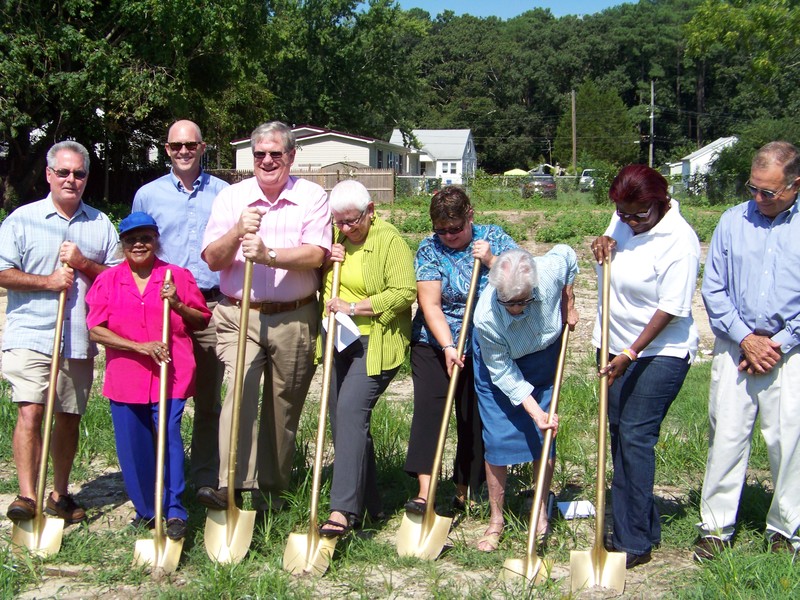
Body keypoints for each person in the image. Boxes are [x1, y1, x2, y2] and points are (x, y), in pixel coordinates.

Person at [200, 121, 331, 510]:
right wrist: (237, 231)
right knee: (238, 391)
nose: (268, 160)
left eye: (276, 153)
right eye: (260, 154)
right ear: (252, 157)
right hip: (240, 314)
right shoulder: (231, 198)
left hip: (295, 317)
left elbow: (316, 254)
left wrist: (269, 255)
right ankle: (231, 486)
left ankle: (272, 492)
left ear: (291, 156)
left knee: (284, 406)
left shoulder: (311, 196)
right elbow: (211, 258)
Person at [0, 141, 119, 524]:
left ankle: (60, 494)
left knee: (68, 416)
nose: (71, 179)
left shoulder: (99, 224)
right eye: (63, 172)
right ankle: (27, 495)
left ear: (86, 178)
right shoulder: (21, 219)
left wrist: (84, 263)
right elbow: (2, 271)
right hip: (32, 333)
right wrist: (49, 281)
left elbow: (118, 277)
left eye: (79, 173)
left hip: (79, 337)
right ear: (49, 175)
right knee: (31, 411)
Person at [590, 164, 700, 568]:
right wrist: (604, 240)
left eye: (640, 215)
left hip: (658, 353)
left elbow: (671, 307)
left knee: (635, 436)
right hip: (615, 347)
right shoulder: (624, 217)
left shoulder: (679, 241)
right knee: (618, 435)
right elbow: (614, 240)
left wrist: (631, 353)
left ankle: (634, 541)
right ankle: (640, 523)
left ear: (660, 202)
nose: (631, 222)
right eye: (623, 214)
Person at [695, 141, 800, 559]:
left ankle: (785, 529)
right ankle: (715, 528)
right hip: (735, 345)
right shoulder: (732, 221)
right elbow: (713, 288)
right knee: (726, 437)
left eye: (768, 192)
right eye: (753, 188)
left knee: (788, 441)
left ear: (795, 186)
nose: (758, 198)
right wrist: (746, 338)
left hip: (789, 350)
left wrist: (778, 343)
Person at [86, 213, 211, 538]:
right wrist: (139, 347)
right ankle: (146, 510)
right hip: (126, 378)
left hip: (171, 375)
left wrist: (179, 305)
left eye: (145, 238)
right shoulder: (109, 281)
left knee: (168, 436)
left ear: (156, 240)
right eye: (131, 239)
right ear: (123, 244)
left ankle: (174, 511)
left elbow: (201, 320)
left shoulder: (176, 276)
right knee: (134, 447)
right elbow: (96, 330)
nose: (138, 244)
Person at [132, 119, 230, 504]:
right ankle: (162, 479)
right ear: (167, 149)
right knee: (161, 400)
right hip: (162, 309)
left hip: (208, 306)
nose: (184, 152)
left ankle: (205, 478)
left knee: (208, 400)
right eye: (176, 146)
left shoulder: (224, 194)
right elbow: (138, 249)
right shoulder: (148, 195)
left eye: (191, 145)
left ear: (203, 147)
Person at [403, 186, 516, 515]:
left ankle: (465, 489)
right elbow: (430, 305)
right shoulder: (429, 249)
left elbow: (522, 285)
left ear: (470, 216)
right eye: (442, 229)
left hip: (484, 342)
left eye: (456, 228)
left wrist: (493, 261)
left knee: (473, 417)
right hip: (434, 341)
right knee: (429, 412)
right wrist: (448, 346)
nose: (449, 235)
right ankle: (425, 494)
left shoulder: (494, 238)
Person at [314, 180, 416, 537]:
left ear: (371, 211)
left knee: (351, 412)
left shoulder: (390, 242)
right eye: (338, 222)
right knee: (341, 418)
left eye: (352, 221)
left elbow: (405, 292)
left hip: (377, 340)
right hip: (338, 338)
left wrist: (355, 307)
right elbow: (322, 288)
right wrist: (327, 262)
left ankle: (341, 511)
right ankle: (371, 504)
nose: (345, 228)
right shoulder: (338, 241)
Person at [473, 247, 578, 552]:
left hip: (543, 358)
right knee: (497, 441)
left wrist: (569, 301)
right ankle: (496, 520)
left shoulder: (547, 272)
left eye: (524, 301)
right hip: (501, 370)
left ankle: (540, 512)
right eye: (509, 303)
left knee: (543, 438)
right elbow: (504, 373)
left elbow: (568, 255)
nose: (517, 309)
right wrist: (535, 411)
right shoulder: (486, 318)